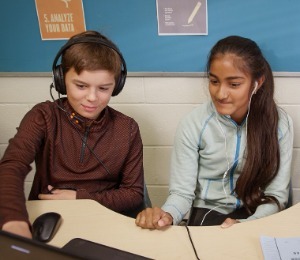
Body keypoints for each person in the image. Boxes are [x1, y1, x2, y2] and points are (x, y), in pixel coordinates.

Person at [135, 35, 293, 229]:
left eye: (234, 84)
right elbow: (182, 194)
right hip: (209, 211)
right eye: (214, 81)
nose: (220, 94)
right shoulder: (193, 124)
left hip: (258, 213)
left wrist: (246, 225)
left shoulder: (279, 124)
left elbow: (276, 195)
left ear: (257, 83)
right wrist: (167, 215)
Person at [0, 30, 144, 238]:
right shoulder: (43, 116)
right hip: (51, 220)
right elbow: (11, 166)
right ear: (61, 79)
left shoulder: (127, 129)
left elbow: (133, 195)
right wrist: (13, 220)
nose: (92, 98)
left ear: (117, 86)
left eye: (103, 88)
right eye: (81, 86)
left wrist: (81, 197)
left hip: (105, 222)